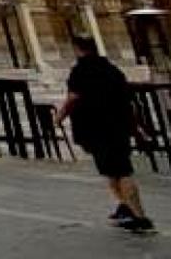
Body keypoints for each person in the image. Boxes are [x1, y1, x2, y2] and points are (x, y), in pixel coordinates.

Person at [55, 35, 154, 234]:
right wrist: (136, 129)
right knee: (113, 169)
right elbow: (127, 102)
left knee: (120, 171)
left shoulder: (81, 71)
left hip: (96, 128)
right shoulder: (113, 70)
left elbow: (73, 98)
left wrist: (59, 117)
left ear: (77, 48)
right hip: (119, 125)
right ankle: (125, 206)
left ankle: (140, 217)